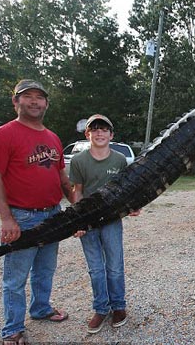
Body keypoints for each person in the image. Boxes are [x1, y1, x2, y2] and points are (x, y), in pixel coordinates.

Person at [0, 79, 73, 344]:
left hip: (54, 213)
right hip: (22, 216)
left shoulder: (52, 137)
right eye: (27, 96)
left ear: (46, 104)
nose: (34, 101)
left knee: (45, 269)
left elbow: (62, 178)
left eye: (39, 97)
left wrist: (77, 202)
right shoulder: (4, 134)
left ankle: (41, 309)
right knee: (15, 278)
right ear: (16, 101)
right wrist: (6, 218)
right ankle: (12, 329)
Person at [70, 114, 139, 334]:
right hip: (88, 223)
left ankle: (118, 307)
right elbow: (78, 192)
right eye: (95, 129)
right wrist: (76, 220)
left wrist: (132, 206)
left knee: (115, 267)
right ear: (87, 134)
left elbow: (125, 190)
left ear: (111, 135)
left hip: (111, 221)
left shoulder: (119, 160)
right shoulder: (79, 160)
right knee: (96, 270)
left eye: (104, 129)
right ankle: (101, 308)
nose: (99, 133)